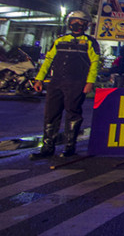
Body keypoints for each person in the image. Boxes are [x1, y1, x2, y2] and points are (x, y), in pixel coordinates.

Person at [30, 11, 100, 159]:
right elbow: (48, 60)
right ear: (69, 23)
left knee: (73, 114)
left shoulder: (90, 42)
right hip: (56, 82)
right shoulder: (60, 40)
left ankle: (69, 147)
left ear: (86, 25)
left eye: (81, 22)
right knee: (51, 114)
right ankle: (47, 148)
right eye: (75, 21)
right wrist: (39, 79)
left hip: (77, 83)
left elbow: (95, 63)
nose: (77, 24)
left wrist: (90, 82)